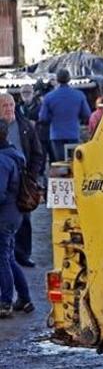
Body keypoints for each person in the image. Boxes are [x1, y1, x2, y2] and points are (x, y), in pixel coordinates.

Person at [0, 93, 43, 269]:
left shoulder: (25, 125)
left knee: (25, 218)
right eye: (4, 106)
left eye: (10, 105)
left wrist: (32, 176)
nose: (9, 109)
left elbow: (38, 153)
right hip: (4, 179)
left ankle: (23, 254)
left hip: (22, 180)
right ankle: (7, 254)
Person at [0, 119, 30, 318]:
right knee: (9, 257)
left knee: (2, 258)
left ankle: (5, 302)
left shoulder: (2, 160)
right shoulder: (16, 154)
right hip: (16, 214)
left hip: (3, 217)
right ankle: (25, 299)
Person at [38, 69, 90, 163]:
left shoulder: (49, 97)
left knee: (60, 164)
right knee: (74, 163)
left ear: (57, 80)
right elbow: (86, 114)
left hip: (56, 135)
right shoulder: (79, 95)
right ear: (69, 79)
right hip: (73, 134)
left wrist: (52, 117)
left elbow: (42, 118)